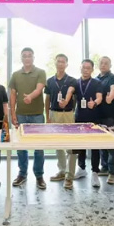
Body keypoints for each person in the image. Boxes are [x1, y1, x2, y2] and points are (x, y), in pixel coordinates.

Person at [10, 47, 47, 189]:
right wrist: (13, 114)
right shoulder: (15, 75)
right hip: (20, 115)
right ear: (21, 58)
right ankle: (22, 174)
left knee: (39, 148)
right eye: (24, 56)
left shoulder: (40, 72)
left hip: (37, 115)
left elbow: (39, 89)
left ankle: (39, 176)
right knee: (21, 147)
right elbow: (13, 95)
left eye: (29, 55)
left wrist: (30, 97)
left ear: (33, 57)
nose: (27, 58)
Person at [44, 54, 78, 190]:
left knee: (71, 146)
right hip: (54, 114)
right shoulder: (49, 81)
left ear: (66, 64)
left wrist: (66, 101)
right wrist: (47, 116)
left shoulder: (72, 80)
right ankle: (62, 171)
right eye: (58, 61)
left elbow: (71, 93)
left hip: (68, 114)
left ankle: (70, 177)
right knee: (58, 145)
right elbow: (47, 99)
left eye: (63, 62)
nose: (60, 64)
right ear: (55, 63)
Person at [73, 59, 103, 188]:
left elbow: (100, 97)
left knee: (95, 145)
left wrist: (94, 103)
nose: (85, 70)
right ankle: (81, 168)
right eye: (83, 67)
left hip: (93, 118)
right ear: (80, 68)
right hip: (79, 117)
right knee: (80, 144)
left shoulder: (97, 82)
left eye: (88, 68)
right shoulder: (76, 82)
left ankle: (95, 172)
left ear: (92, 70)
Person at [96, 56, 114, 185]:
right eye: (101, 63)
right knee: (102, 143)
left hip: (110, 117)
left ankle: (112, 172)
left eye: (106, 63)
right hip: (97, 116)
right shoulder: (96, 79)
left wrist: (110, 97)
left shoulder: (113, 78)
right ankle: (104, 167)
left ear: (110, 65)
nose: (103, 65)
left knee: (112, 145)